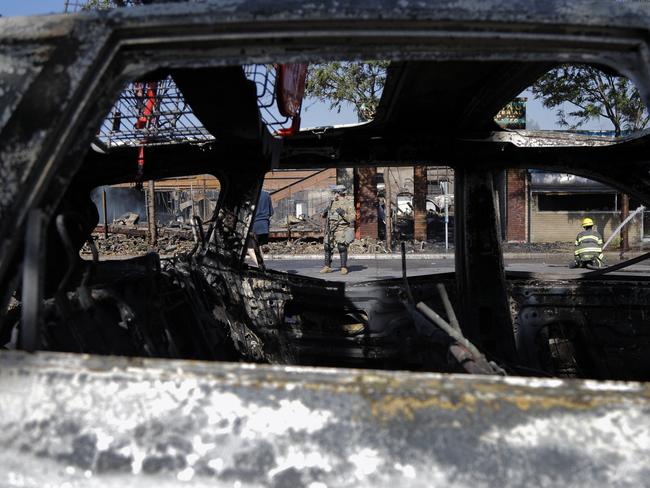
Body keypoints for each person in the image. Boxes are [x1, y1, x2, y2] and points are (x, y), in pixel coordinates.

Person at [321, 185, 355, 274]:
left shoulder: (348, 203)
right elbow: (325, 216)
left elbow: (352, 218)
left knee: (342, 247)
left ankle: (343, 267)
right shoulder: (332, 203)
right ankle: (327, 266)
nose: (334, 194)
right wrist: (324, 212)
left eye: (335, 192)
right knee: (327, 246)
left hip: (341, 228)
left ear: (339, 193)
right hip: (331, 228)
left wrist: (343, 213)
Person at [247, 189, 273, 267]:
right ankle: (262, 265)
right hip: (264, 225)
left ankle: (260, 266)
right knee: (258, 247)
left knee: (250, 248)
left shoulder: (251, 196)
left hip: (255, 225)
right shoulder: (266, 195)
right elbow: (271, 212)